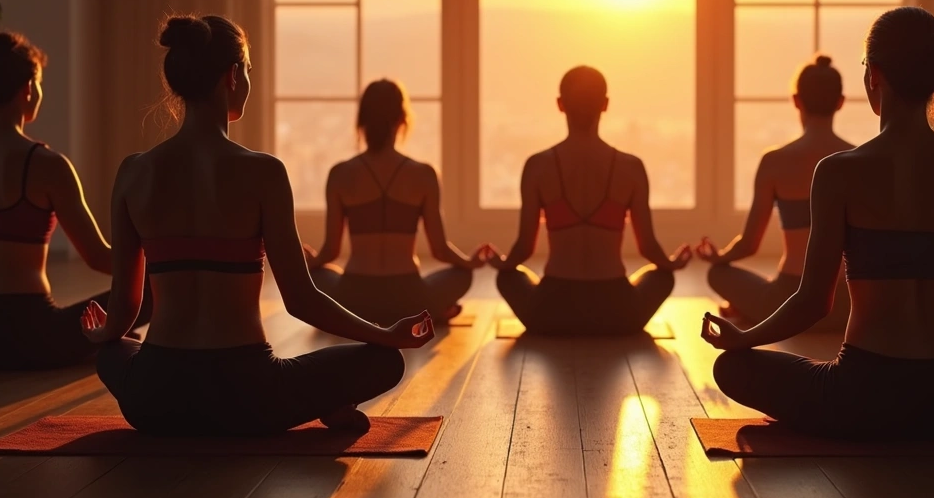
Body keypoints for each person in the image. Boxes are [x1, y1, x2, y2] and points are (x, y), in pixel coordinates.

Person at [83, 15, 432, 436]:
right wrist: (384, 333)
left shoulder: (134, 172)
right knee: (384, 359)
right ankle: (328, 401)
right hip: (250, 397)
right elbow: (301, 300)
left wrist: (102, 332)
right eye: (248, 69)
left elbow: (124, 311)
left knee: (109, 351)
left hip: (156, 399)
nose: (249, 79)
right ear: (233, 76)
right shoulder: (264, 173)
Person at [702, 7, 934, 440]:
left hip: (864, 397)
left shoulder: (838, 173)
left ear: (874, 76)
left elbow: (813, 302)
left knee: (732, 367)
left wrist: (746, 337)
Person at [0, 32, 151, 370]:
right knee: (152, 292)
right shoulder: (49, 166)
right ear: (29, 88)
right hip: (31, 336)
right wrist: (163, 260)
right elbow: (100, 258)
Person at [488, 66, 691, 336]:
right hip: (618, 312)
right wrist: (673, 263)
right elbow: (649, 248)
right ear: (605, 105)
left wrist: (500, 262)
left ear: (560, 105)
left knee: (508, 277)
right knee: (662, 277)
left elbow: (523, 248)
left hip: (550, 310)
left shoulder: (537, 166)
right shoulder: (631, 168)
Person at [305, 80, 488, 326]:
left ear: (362, 121)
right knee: (461, 276)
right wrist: (470, 262)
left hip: (353, 299)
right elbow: (440, 250)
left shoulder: (340, 174)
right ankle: (431, 312)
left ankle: (353, 317)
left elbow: (331, 251)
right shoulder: (424, 174)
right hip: (410, 299)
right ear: (402, 120)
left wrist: (308, 262)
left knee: (314, 276)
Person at [697, 54, 853, 332]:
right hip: (848, 303)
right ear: (840, 102)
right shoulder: (859, 159)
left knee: (718, 275)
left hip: (789, 301)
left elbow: (749, 244)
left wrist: (717, 257)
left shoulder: (774, 162)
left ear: (796, 100)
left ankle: (750, 311)